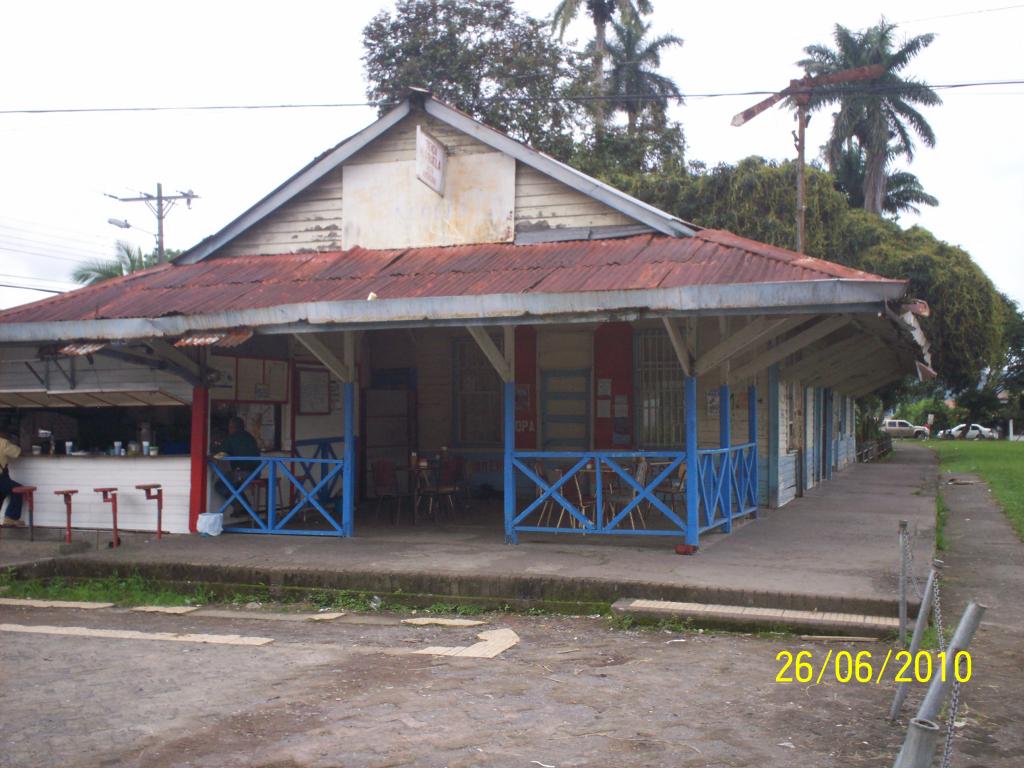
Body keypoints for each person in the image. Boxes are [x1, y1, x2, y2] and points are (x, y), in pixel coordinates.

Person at [211, 416, 261, 518]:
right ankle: (245, 508)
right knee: (235, 486)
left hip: (243, 473)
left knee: (220, 485)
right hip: (256, 472)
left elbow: (221, 452)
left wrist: (212, 453)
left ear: (232, 427)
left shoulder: (232, 437)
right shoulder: (249, 437)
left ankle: (240, 507)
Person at [0, 430, 25, 527]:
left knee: (3, 492)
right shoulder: (3, 442)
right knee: (18, 489)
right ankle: (11, 518)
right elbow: (18, 452)